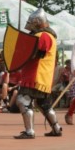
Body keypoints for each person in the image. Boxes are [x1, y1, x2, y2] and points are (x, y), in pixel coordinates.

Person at [13, 8, 62, 139]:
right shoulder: (48, 35)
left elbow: (35, 53)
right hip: (42, 77)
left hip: (35, 76)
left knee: (23, 100)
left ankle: (29, 131)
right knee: (43, 104)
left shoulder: (43, 35)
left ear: (38, 22)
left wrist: (20, 51)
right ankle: (56, 128)